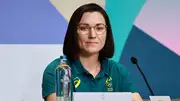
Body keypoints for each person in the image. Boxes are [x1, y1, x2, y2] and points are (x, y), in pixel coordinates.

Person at [42, 3, 143, 101]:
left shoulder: (118, 71)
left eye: (99, 28)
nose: (92, 35)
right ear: (73, 33)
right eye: (83, 28)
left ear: (107, 33)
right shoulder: (58, 70)